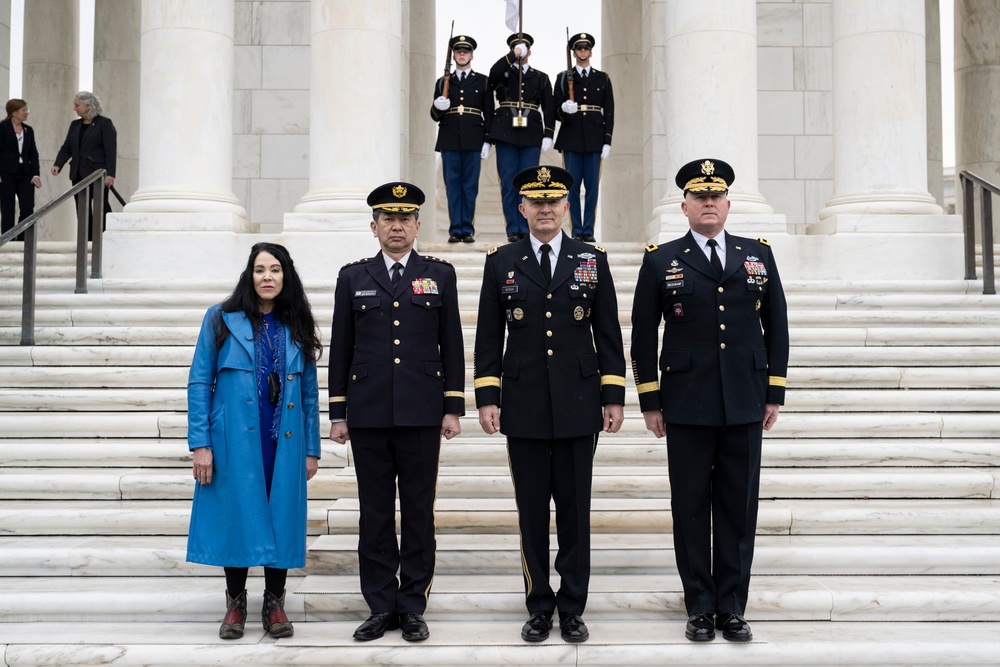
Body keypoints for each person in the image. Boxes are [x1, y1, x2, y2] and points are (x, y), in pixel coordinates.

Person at [630, 158, 789, 643]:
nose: (708, 203)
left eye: (715, 196)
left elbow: (776, 325)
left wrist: (773, 392)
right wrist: (650, 400)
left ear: (728, 204)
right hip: (687, 402)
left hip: (744, 398)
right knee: (692, 507)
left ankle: (732, 608)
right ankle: (699, 606)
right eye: (699, 197)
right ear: (684, 206)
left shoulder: (757, 254)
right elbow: (641, 335)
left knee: (739, 510)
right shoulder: (661, 259)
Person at [474, 165, 626, 644]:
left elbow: (608, 333)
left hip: (581, 403)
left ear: (566, 207)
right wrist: (487, 397)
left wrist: (613, 395)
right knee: (532, 512)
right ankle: (540, 604)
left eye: (553, 201)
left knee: (576, 511)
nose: (544, 208)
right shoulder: (501, 261)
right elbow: (486, 337)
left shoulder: (591, 258)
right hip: (523, 405)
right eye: (535, 202)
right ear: (521, 208)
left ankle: (573, 606)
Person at [328, 182, 465, 643]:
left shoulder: (438, 274)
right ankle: (380, 605)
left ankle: (412, 606)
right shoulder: (353, 277)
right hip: (367, 413)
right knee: (375, 514)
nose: (397, 225)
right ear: (374, 227)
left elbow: (453, 344)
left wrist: (452, 406)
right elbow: (341, 348)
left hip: (422, 412)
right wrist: (338, 412)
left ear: (417, 225)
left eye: (405, 218)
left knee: (419, 513)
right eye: (388, 219)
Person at [186, 242, 323, 640]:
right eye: (260, 270)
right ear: (249, 275)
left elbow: (311, 392)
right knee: (238, 514)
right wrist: (201, 444)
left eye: (275, 270)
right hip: (233, 439)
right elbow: (199, 381)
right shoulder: (220, 319)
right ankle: (235, 603)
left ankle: (275, 602)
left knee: (281, 515)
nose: (267, 277)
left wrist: (312, 449)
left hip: (284, 438)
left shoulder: (297, 321)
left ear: (286, 276)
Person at [488, 34, 555, 243]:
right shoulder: (504, 74)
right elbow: (492, 75)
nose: (521, 53)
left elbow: (549, 107)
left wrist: (549, 133)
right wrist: (511, 55)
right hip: (506, 133)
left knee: (528, 184)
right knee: (509, 183)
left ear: (530, 52)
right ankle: (513, 228)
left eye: (524, 49)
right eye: (517, 49)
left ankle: (526, 228)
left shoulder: (541, 77)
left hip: (531, 135)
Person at [431, 34, 494, 244]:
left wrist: (487, 140)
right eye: (458, 52)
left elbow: (489, 112)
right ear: (454, 56)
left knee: (469, 186)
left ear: (471, 55)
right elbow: (434, 115)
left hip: (473, 138)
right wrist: (437, 106)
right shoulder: (443, 82)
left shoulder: (483, 81)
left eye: (465, 52)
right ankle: (454, 229)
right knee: (452, 186)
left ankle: (467, 228)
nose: (462, 55)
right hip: (450, 137)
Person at [553, 33, 614, 243]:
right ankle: (576, 230)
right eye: (579, 48)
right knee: (571, 186)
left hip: (595, 139)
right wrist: (563, 108)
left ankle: (588, 229)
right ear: (574, 51)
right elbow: (554, 109)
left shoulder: (602, 78)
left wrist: (607, 140)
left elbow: (610, 112)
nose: (582, 51)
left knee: (592, 187)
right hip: (571, 137)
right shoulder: (563, 77)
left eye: (585, 48)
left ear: (590, 51)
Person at [51, 91, 117, 237]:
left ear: (88, 106)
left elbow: (110, 151)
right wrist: (58, 164)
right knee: (82, 209)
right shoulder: (74, 125)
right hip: (78, 173)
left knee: (101, 207)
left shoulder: (104, 124)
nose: (74, 108)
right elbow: (67, 147)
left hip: (97, 174)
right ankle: (87, 240)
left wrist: (111, 174)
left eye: (77, 105)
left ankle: (107, 235)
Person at [0, 99, 41, 237]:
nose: (27, 113)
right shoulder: (2, 128)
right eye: (24, 110)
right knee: (7, 209)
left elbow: (33, 153)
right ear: (14, 113)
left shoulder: (28, 130)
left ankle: (23, 241)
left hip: (25, 174)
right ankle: (7, 241)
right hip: (6, 174)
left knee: (28, 207)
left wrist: (36, 174)